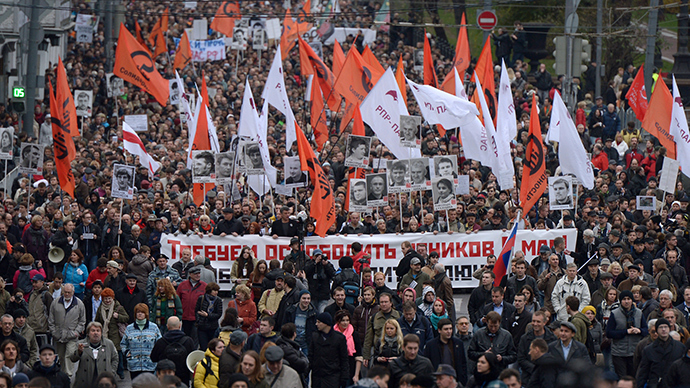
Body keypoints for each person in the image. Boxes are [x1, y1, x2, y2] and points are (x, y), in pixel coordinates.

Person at [606, 290, 648, 378]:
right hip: (619, 352)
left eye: (628, 299)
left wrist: (639, 330)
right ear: (620, 301)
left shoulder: (639, 313)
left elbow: (646, 330)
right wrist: (625, 332)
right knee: (622, 378)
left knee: (633, 377)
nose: (626, 301)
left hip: (634, 352)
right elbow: (609, 333)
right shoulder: (615, 313)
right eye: (624, 299)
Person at [47, 283, 85, 377]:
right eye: (65, 292)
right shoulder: (55, 302)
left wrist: (76, 332)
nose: (67, 294)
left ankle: (68, 376)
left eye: (69, 292)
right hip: (58, 335)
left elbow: (82, 321)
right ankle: (63, 376)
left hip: (72, 336)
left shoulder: (79, 304)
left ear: (73, 292)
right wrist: (53, 332)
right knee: (61, 357)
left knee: (69, 355)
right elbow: (51, 319)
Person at [636, 318, 685, 388]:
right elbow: (643, 372)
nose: (663, 329)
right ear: (656, 331)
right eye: (661, 327)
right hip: (655, 384)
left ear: (669, 329)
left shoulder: (680, 347)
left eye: (666, 327)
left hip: (674, 384)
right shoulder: (648, 349)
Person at [69, 322, 118, 388]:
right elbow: (72, 358)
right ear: (88, 333)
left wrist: (112, 372)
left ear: (101, 333)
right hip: (85, 380)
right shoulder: (80, 344)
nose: (96, 333)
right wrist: (79, 352)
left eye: (98, 331)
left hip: (103, 380)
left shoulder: (109, 344)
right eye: (93, 330)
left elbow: (115, 358)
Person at [120, 304, 161, 380]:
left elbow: (159, 344)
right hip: (134, 365)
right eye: (138, 312)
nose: (140, 314)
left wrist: (155, 356)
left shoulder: (154, 327)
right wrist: (127, 353)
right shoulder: (129, 328)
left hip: (150, 365)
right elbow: (123, 343)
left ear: (146, 314)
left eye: (142, 312)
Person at [94, 288, 129, 379]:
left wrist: (118, 317)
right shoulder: (100, 308)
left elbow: (126, 318)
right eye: (105, 299)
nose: (108, 300)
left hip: (115, 334)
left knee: (118, 353)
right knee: (105, 353)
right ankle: (108, 372)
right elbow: (97, 320)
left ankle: (120, 371)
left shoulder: (118, 307)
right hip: (104, 334)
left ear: (112, 298)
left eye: (109, 298)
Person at [308, 312, 349, 387]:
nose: (316, 324)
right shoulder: (315, 336)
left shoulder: (339, 338)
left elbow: (344, 358)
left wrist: (344, 377)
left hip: (332, 376)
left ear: (326, 323)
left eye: (319, 322)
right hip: (317, 376)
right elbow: (311, 355)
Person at [423, 318, 468, 385]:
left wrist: (462, 381)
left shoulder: (458, 343)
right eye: (446, 329)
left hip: (455, 381)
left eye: (450, 329)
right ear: (439, 330)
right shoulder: (431, 345)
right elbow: (427, 364)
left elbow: (463, 363)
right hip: (437, 381)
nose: (449, 331)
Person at [150, 317, 195, 383]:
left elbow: (153, 358)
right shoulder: (188, 341)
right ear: (180, 326)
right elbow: (193, 358)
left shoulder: (161, 342)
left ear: (167, 326)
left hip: (165, 378)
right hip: (183, 377)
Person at [195, 282, 222, 351]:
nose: (216, 292)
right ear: (209, 291)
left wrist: (208, 315)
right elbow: (196, 310)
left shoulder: (218, 300)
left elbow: (219, 314)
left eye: (217, 291)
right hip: (202, 326)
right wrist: (198, 320)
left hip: (213, 327)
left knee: (212, 347)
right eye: (214, 290)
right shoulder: (201, 298)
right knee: (203, 347)